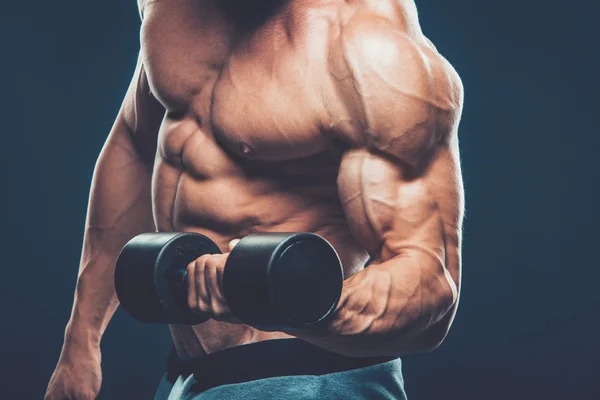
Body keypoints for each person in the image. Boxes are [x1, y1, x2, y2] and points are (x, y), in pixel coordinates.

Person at [45, 0, 464, 398]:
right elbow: (137, 145)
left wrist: (280, 297)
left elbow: (430, 288)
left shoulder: (368, 47)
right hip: (188, 375)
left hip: (312, 378)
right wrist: (81, 339)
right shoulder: (167, 9)